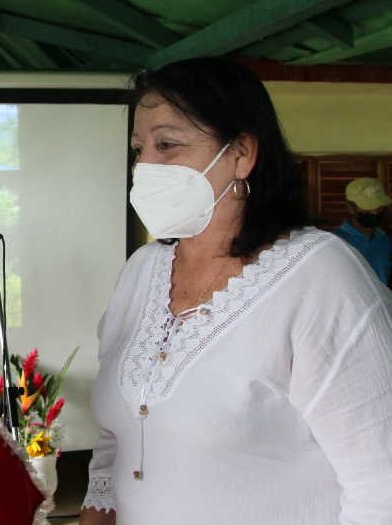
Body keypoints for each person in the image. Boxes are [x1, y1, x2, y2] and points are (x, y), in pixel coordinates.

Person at [80, 57, 392, 525]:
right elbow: (114, 442)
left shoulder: (319, 276)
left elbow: (380, 485)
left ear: (241, 154)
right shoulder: (142, 272)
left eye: (167, 145)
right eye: (138, 149)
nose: (144, 166)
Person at [334, 177, 391, 285]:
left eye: (379, 208)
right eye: (367, 207)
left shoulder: (385, 241)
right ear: (350, 208)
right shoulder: (336, 242)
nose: (374, 212)